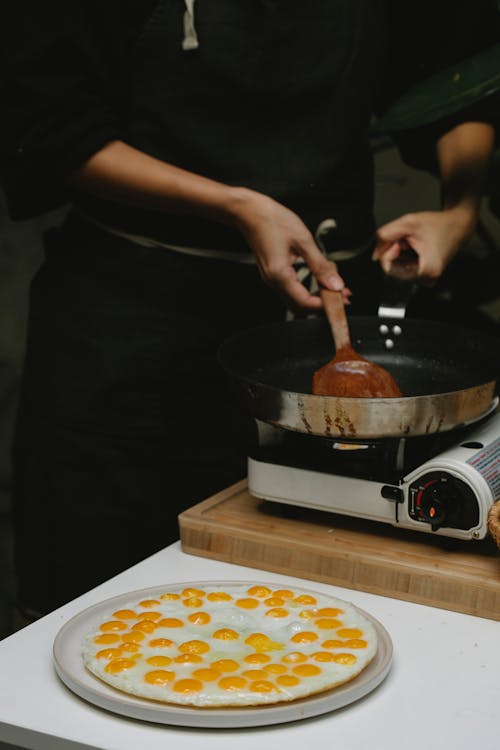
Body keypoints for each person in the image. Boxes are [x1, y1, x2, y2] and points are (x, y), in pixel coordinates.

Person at [0, 0, 498, 620]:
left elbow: (454, 75)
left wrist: (460, 209)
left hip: (322, 326)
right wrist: (235, 205)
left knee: (324, 614)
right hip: (131, 329)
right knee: (94, 603)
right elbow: (45, 124)